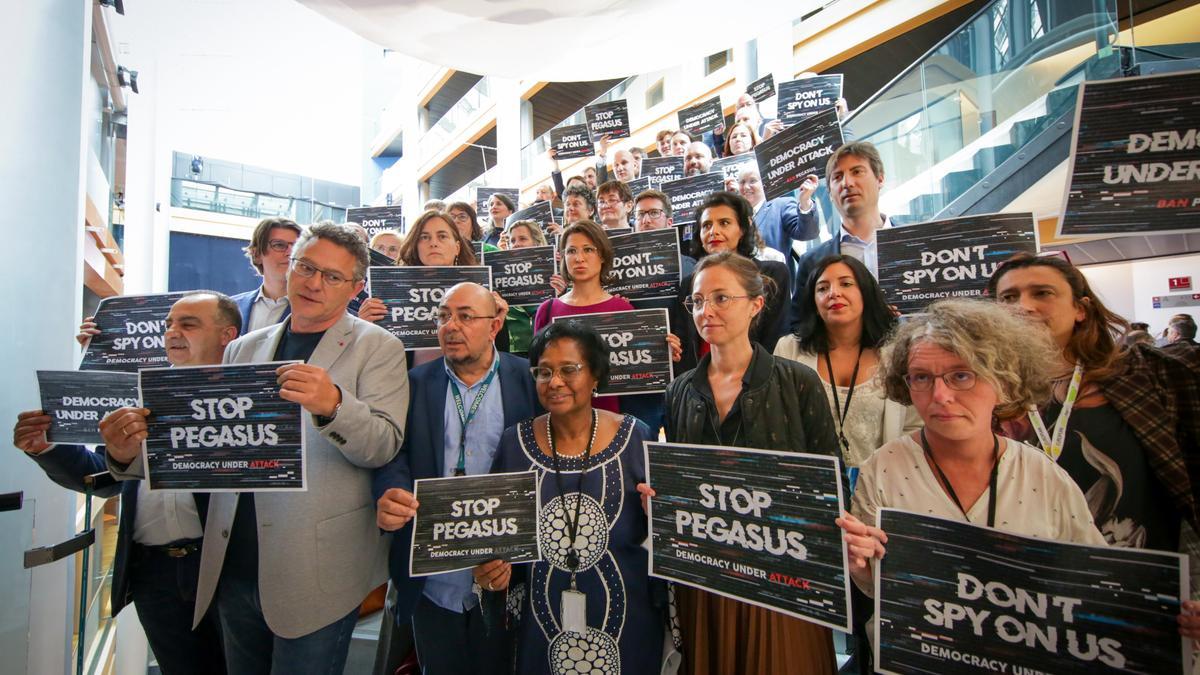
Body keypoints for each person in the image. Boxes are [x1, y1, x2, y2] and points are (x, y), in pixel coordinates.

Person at [106, 223, 410, 674]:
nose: (312, 283)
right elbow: (207, 448)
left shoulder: (378, 346)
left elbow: (384, 446)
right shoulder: (244, 348)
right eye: (305, 267)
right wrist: (124, 455)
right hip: (232, 564)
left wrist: (334, 406)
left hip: (317, 570)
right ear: (289, 268)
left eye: (331, 276)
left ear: (355, 288)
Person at [836, 299, 1114, 651]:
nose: (941, 396)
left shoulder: (1043, 477)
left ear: (1002, 379)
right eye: (921, 377)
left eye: (962, 375)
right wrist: (860, 566)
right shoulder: (884, 467)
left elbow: (1097, 589)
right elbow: (880, 586)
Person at [13, 291, 238, 675]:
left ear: (227, 335)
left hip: (226, 570)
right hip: (153, 574)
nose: (172, 332)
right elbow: (103, 478)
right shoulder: (129, 396)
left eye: (188, 324)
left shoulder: (245, 399)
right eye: (168, 324)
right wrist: (46, 449)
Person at [646, 251, 840, 675]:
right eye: (697, 301)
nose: (706, 310)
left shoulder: (798, 381)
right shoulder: (678, 391)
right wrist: (660, 499)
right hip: (707, 579)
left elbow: (831, 482)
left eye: (720, 298)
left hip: (784, 582)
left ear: (756, 305)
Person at [476, 320, 667, 674]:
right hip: (540, 626)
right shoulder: (514, 444)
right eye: (544, 372)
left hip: (628, 622)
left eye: (569, 369)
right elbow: (493, 534)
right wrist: (488, 570)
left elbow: (663, 534)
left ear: (596, 376)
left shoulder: (636, 437)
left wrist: (660, 516)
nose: (555, 382)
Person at [372, 282, 540, 675]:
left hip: (505, 570)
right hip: (433, 575)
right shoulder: (413, 382)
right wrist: (390, 490)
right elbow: (393, 452)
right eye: (444, 315)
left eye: (465, 316)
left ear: (495, 325)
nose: (451, 325)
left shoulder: (528, 379)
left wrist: (518, 557)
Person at [987, 253, 1200, 553]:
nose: (1023, 306)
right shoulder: (984, 392)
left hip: (1147, 570)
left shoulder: (1147, 374)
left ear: (1080, 309)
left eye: (1042, 293)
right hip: (1035, 574)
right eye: (1008, 298)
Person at [775, 255, 920, 469]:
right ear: (814, 303)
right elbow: (779, 424)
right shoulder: (789, 349)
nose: (834, 293)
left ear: (866, 293)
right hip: (812, 484)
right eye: (822, 288)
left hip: (881, 484)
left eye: (846, 283)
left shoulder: (899, 351)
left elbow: (914, 426)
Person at [533, 220, 632, 416]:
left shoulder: (623, 308)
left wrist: (661, 352)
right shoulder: (547, 309)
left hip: (611, 419)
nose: (579, 258)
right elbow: (540, 372)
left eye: (588, 249)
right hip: (560, 420)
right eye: (571, 251)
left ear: (602, 255)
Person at [790, 141, 892, 331]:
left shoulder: (921, 245)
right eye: (837, 177)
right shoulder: (811, 262)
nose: (847, 183)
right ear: (829, 193)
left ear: (880, 179)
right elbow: (800, 327)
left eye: (857, 171)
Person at [684, 192, 791, 353]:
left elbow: (776, 338)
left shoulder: (773, 274)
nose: (713, 231)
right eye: (706, 225)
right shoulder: (689, 283)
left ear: (743, 228)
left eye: (724, 223)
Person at [738, 168, 820, 287]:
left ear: (765, 184)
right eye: (742, 182)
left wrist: (805, 201)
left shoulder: (781, 205)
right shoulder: (733, 213)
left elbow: (808, 233)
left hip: (775, 288)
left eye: (752, 181)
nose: (746, 187)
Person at [232, 216, 302, 334]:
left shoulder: (315, 309)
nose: (290, 253)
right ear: (257, 254)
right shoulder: (232, 307)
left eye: (296, 247)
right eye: (279, 245)